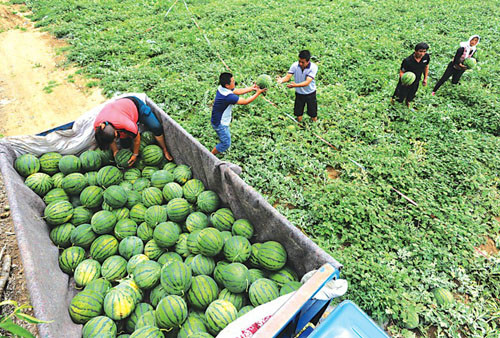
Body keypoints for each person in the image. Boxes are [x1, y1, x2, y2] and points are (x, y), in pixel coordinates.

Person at [94, 96, 172, 166]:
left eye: (115, 138)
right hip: (120, 110)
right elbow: (109, 139)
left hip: (136, 106)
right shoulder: (98, 127)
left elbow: (137, 140)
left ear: (115, 131)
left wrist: (135, 155)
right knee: (125, 144)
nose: (115, 140)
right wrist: (115, 151)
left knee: (156, 127)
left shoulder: (126, 125)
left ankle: (165, 150)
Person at [211, 73, 266, 155]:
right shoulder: (228, 96)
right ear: (227, 85)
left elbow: (237, 91)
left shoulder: (221, 88)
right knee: (226, 143)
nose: (234, 82)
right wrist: (258, 93)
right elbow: (245, 101)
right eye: (233, 82)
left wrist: (251, 88)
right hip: (220, 123)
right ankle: (210, 155)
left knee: (224, 137)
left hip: (217, 118)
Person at [277, 50, 319, 122]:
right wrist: (281, 80)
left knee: (312, 111)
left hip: (310, 93)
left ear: (308, 61)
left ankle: (315, 125)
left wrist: (295, 85)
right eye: (299, 61)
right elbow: (288, 77)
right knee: (298, 111)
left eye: (303, 62)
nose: (300, 63)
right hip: (299, 93)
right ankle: (299, 124)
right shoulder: (295, 65)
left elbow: (307, 82)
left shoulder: (313, 67)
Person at [391, 42, 430, 108]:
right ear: (415, 51)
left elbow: (426, 66)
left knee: (411, 96)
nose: (422, 54)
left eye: (424, 51)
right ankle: (392, 106)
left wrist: (425, 78)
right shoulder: (407, 61)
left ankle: (407, 104)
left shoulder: (426, 57)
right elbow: (401, 72)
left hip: (416, 81)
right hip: (405, 82)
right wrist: (405, 81)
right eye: (420, 51)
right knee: (398, 97)